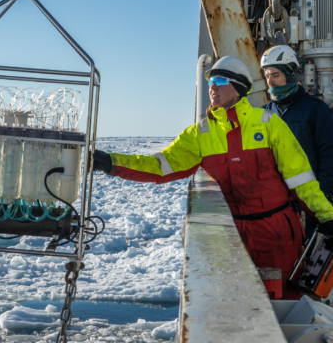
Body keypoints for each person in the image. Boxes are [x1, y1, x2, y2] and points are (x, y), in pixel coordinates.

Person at [92, 56, 333, 300]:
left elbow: (302, 181)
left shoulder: (269, 124)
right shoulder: (200, 133)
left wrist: (327, 216)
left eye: (219, 80)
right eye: (210, 81)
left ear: (238, 88)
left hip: (276, 234)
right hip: (230, 237)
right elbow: (160, 166)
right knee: (232, 302)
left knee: (284, 302)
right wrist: (112, 163)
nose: (212, 87)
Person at [261, 45, 333, 242]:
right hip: (276, 202)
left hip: (309, 200)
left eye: (275, 74)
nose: (270, 81)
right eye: (267, 76)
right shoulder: (264, 113)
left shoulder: (315, 108)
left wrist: (325, 194)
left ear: (289, 74)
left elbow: (328, 153)